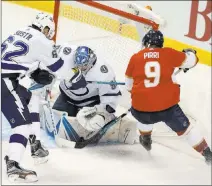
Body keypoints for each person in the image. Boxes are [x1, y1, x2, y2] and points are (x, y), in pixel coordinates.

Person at [1, 12, 84, 183]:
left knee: (32, 99)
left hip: (8, 79)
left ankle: (35, 144)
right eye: (49, 31)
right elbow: (59, 68)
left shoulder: (19, 31)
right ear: (46, 28)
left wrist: (34, 72)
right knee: (21, 126)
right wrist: (76, 77)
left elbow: (16, 58)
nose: (49, 35)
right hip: (5, 83)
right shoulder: (42, 40)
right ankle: (13, 165)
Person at [125, 29, 212, 164]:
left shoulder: (135, 57)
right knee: (187, 131)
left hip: (140, 110)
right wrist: (189, 53)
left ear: (147, 43)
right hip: (167, 109)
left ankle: (145, 137)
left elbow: (129, 87)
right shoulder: (169, 53)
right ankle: (208, 154)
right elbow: (193, 61)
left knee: (142, 111)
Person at [46, 44, 137, 145]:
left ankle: (114, 126)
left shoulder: (104, 72)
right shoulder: (65, 54)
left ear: (91, 62)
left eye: (84, 66)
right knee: (55, 122)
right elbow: (45, 55)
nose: (80, 68)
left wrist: (101, 113)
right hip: (66, 97)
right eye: (77, 65)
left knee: (93, 123)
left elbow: (110, 102)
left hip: (89, 102)